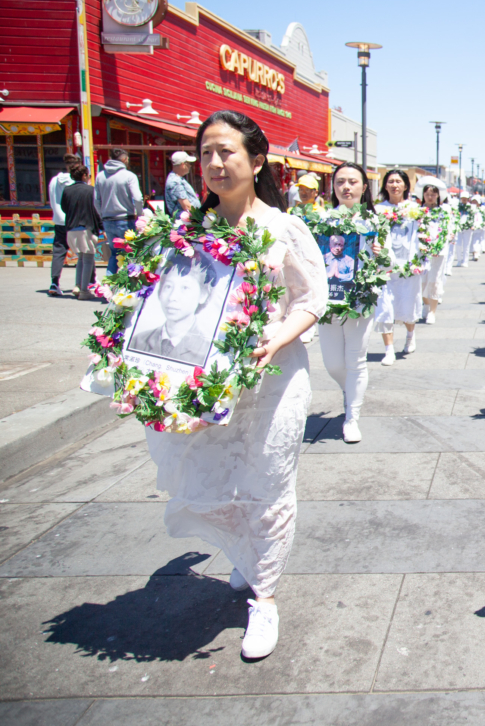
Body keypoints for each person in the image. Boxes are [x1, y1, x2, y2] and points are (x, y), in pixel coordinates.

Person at [144, 109, 327, 660]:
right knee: (218, 477)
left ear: (256, 161)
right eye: (206, 154)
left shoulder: (282, 227)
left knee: (268, 478)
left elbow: (311, 298)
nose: (216, 164)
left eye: (226, 152)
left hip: (273, 378)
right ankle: (246, 556)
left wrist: (275, 339)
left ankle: (264, 599)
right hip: (211, 382)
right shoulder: (190, 232)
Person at [318, 162, 382, 444]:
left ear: (364, 187)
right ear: (332, 186)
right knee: (332, 363)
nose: (346, 187)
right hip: (328, 300)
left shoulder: (374, 222)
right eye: (341, 181)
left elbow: (386, 263)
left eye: (353, 182)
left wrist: (379, 254)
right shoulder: (321, 220)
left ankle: (351, 417)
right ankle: (350, 391)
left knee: (355, 359)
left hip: (359, 301)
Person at [127, 254, 223, 366]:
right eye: (168, 286)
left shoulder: (209, 351)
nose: (172, 297)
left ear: (203, 294)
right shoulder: (138, 341)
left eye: (185, 288)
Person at [375, 169, 422, 363]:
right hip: (385, 269)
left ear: (405, 185)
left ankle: (410, 335)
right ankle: (389, 350)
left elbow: (426, 233)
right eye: (391, 181)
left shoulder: (414, 209)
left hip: (409, 267)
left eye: (398, 181)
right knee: (385, 308)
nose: (395, 185)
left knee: (408, 306)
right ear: (385, 185)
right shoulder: (378, 210)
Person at [93, 148, 143, 275]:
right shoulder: (129, 176)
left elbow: (96, 200)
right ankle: (128, 287)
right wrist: (140, 215)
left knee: (114, 254)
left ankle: (109, 286)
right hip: (126, 219)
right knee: (130, 254)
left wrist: (102, 215)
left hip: (108, 220)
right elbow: (138, 198)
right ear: (125, 159)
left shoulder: (100, 176)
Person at [60, 163, 101, 299]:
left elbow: (64, 208)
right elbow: (96, 210)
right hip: (86, 227)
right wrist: (101, 226)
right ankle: (84, 290)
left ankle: (78, 285)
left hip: (71, 228)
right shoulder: (90, 190)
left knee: (81, 258)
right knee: (88, 258)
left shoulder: (67, 190)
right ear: (84, 175)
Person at [47, 153, 81, 296]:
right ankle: (82, 283)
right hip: (74, 219)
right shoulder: (75, 182)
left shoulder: (54, 180)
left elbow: (51, 198)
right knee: (83, 252)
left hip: (59, 219)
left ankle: (54, 282)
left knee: (59, 252)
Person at [419, 177, 452, 324]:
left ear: (438, 195)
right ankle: (425, 306)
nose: (430, 197)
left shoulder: (444, 211)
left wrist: (447, 237)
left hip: (439, 251)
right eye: (427, 194)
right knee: (422, 281)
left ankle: (432, 311)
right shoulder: (419, 211)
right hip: (422, 251)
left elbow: (449, 229)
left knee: (434, 280)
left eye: (433, 194)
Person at [164, 151, 199, 218]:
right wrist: (199, 218)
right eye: (188, 163)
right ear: (183, 164)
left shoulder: (177, 178)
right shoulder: (175, 182)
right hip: (185, 223)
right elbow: (186, 206)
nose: (190, 165)